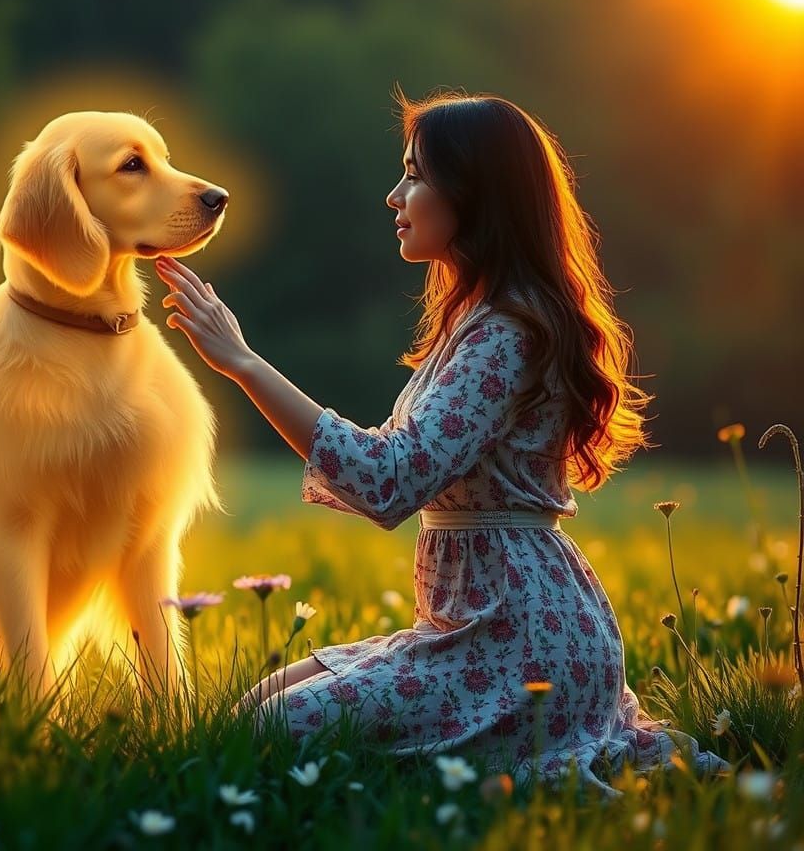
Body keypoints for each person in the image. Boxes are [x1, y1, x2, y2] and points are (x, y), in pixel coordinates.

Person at [152, 88, 731, 799]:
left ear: (475, 195)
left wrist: (242, 363)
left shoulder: (506, 335)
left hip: (522, 646)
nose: (396, 196)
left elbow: (389, 481)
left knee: (269, 736)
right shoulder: (480, 322)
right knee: (245, 720)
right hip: (470, 633)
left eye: (416, 175)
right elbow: (391, 464)